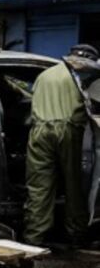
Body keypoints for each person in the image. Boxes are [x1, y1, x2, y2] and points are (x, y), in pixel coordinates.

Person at [24, 43, 99, 247]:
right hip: (67, 130)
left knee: (39, 187)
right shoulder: (80, 79)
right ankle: (76, 234)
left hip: (38, 131)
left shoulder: (45, 75)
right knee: (73, 184)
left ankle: (34, 238)